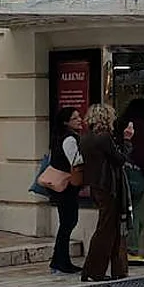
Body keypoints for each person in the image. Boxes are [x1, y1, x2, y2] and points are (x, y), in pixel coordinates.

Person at [80, 104, 135, 282]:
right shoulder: (103, 137)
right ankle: (94, 270)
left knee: (111, 227)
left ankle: (118, 268)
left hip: (97, 186)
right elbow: (120, 159)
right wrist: (127, 140)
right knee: (106, 229)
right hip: (108, 187)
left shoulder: (87, 137)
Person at [116, 99, 144, 266]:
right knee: (137, 213)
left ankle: (122, 248)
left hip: (125, 172)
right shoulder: (139, 125)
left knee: (124, 212)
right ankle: (132, 249)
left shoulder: (121, 123)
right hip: (137, 174)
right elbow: (142, 151)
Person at [48, 107, 84, 275]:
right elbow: (76, 162)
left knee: (67, 223)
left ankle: (59, 260)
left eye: (79, 117)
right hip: (67, 186)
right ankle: (60, 261)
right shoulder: (70, 139)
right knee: (68, 222)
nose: (79, 119)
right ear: (66, 122)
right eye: (75, 118)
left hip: (63, 187)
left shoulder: (59, 137)